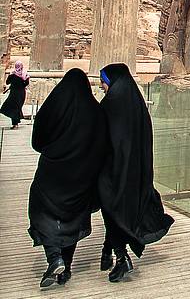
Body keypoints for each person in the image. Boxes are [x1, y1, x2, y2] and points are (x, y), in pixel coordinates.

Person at [28, 68, 107, 288]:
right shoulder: (95, 111)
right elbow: (102, 145)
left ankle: (55, 257)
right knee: (72, 218)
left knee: (42, 211)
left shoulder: (56, 104)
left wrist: (53, 150)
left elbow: (38, 138)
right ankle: (66, 267)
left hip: (52, 172)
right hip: (82, 175)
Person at [98, 63, 173, 283]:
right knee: (117, 210)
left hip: (113, 170)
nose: (101, 86)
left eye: (102, 81)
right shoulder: (136, 103)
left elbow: (103, 138)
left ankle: (121, 257)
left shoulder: (111, 104)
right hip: (136, 171)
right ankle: (107, 250)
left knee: (111, 209)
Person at [1, 60, 29, 128]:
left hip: (13, 94)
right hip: (21, 94)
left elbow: (7, 82)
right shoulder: (25, 75)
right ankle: (16, 123)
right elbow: (26, 84)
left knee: (12, 107)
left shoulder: (13, 74)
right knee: (17, 108)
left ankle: (15, 123)